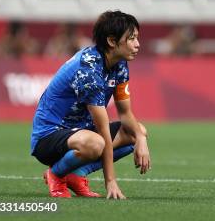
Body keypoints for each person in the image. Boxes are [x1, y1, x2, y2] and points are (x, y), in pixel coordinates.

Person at [30, 10, 151, 199]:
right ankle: (56, 173)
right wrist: (110, 181)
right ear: (112, 41)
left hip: (81, 132)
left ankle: (76, 174)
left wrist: (141, 139)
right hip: (49, 136)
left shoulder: (119, 64)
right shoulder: (88, 69)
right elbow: (103, 130)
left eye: (137, 38)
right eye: (131, 38)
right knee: (96, 143)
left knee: (138, 131)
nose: (137, 44)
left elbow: (126, 115)